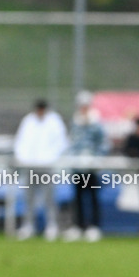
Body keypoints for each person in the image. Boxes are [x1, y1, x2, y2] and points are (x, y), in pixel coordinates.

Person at [14, 99, 69, 240]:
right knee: (28, 198)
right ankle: (28, 226)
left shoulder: (54, 121)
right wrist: (23, 158)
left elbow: (61, 142)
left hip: (47, 166)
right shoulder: (28, 121)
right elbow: (21, 141)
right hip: (30, 165)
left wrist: (51, 158)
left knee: (49, 198)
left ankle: (51, 226)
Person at [64, 91, 108, 242]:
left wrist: (96, 159)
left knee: (93, 197)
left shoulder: (96, 123)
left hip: (92, 167)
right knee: (77, 198)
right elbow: (72, 143)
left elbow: (103, 143)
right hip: (77, 167)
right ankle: (78, 225)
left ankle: (94, 226)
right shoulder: (75, 122)